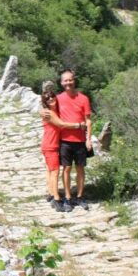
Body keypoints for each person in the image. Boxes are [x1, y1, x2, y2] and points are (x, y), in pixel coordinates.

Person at [42, 70, 92, 211]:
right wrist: (41, 112)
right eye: (65, 80)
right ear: (61, 82)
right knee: (66, 170)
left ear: (74, 80)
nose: (68, 83)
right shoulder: (58, 98)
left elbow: (88, 120)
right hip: (64, 140)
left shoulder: (83, 99)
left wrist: (88, 139)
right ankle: (68, 198)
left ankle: (80, 197)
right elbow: (48, 107)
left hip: (81, 140)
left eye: (70, 80)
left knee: (81, 169)